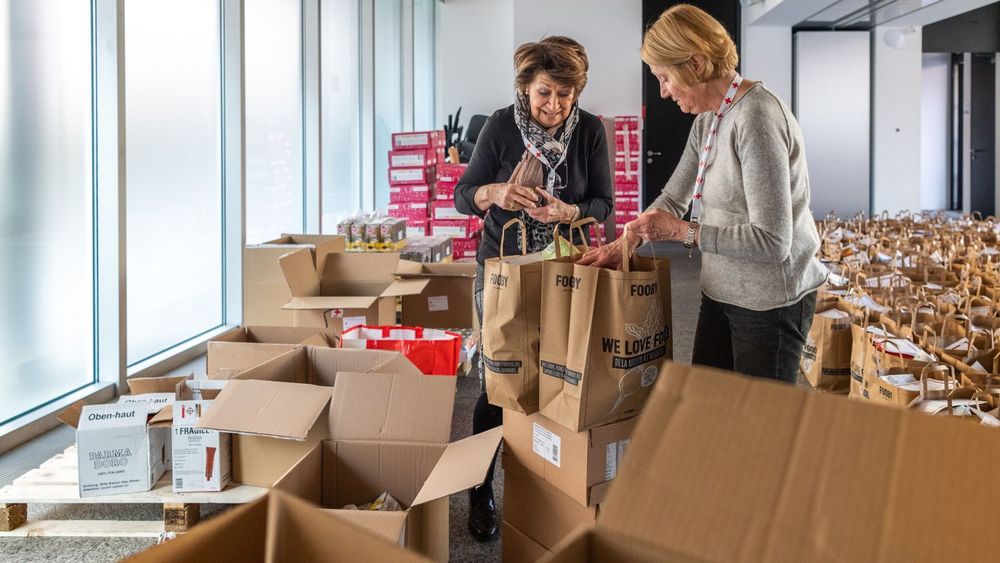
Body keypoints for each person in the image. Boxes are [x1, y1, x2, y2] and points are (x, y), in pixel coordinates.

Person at [579, 4, 826, 383]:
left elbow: (774, 242)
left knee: (760, 417)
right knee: (708, 406)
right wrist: (628, 240)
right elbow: (674, 197)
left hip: (769, 302)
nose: (663, 93)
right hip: (720, 290)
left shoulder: (757, 118)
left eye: (665, 78)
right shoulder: (710, 119)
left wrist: (683, 232)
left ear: (694, 64)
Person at [454, 35, 612, 542]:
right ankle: (480, 490)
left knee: (562, 378)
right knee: (500, 383)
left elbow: (604, 203)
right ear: (526, 87)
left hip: (566, 269)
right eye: (545, 92)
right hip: (504, 268)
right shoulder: (501, 126)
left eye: (566, 94)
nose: (554, 106)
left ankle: (551, 487)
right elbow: (462, 195)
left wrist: (570, 210)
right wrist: (496, 193)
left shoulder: (589, 130)